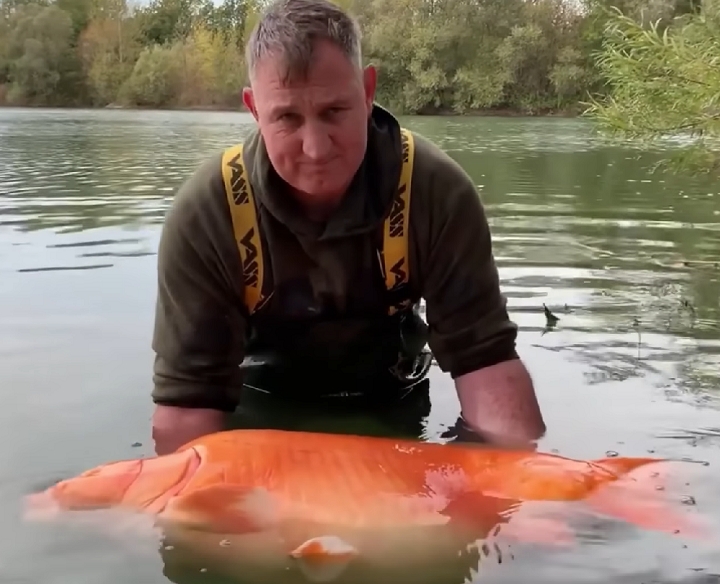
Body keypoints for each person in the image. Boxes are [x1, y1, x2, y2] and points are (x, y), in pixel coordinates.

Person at [150, 0, 546, 455]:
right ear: (254, 109)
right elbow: (187, 406)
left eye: (334, 111)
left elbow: (486, 362)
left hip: (394, 407)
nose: (315, 149)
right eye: (287, 118)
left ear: (367, 90)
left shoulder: (436, 191)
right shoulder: (207, 212)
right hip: (258, 415)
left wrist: (522, 493)